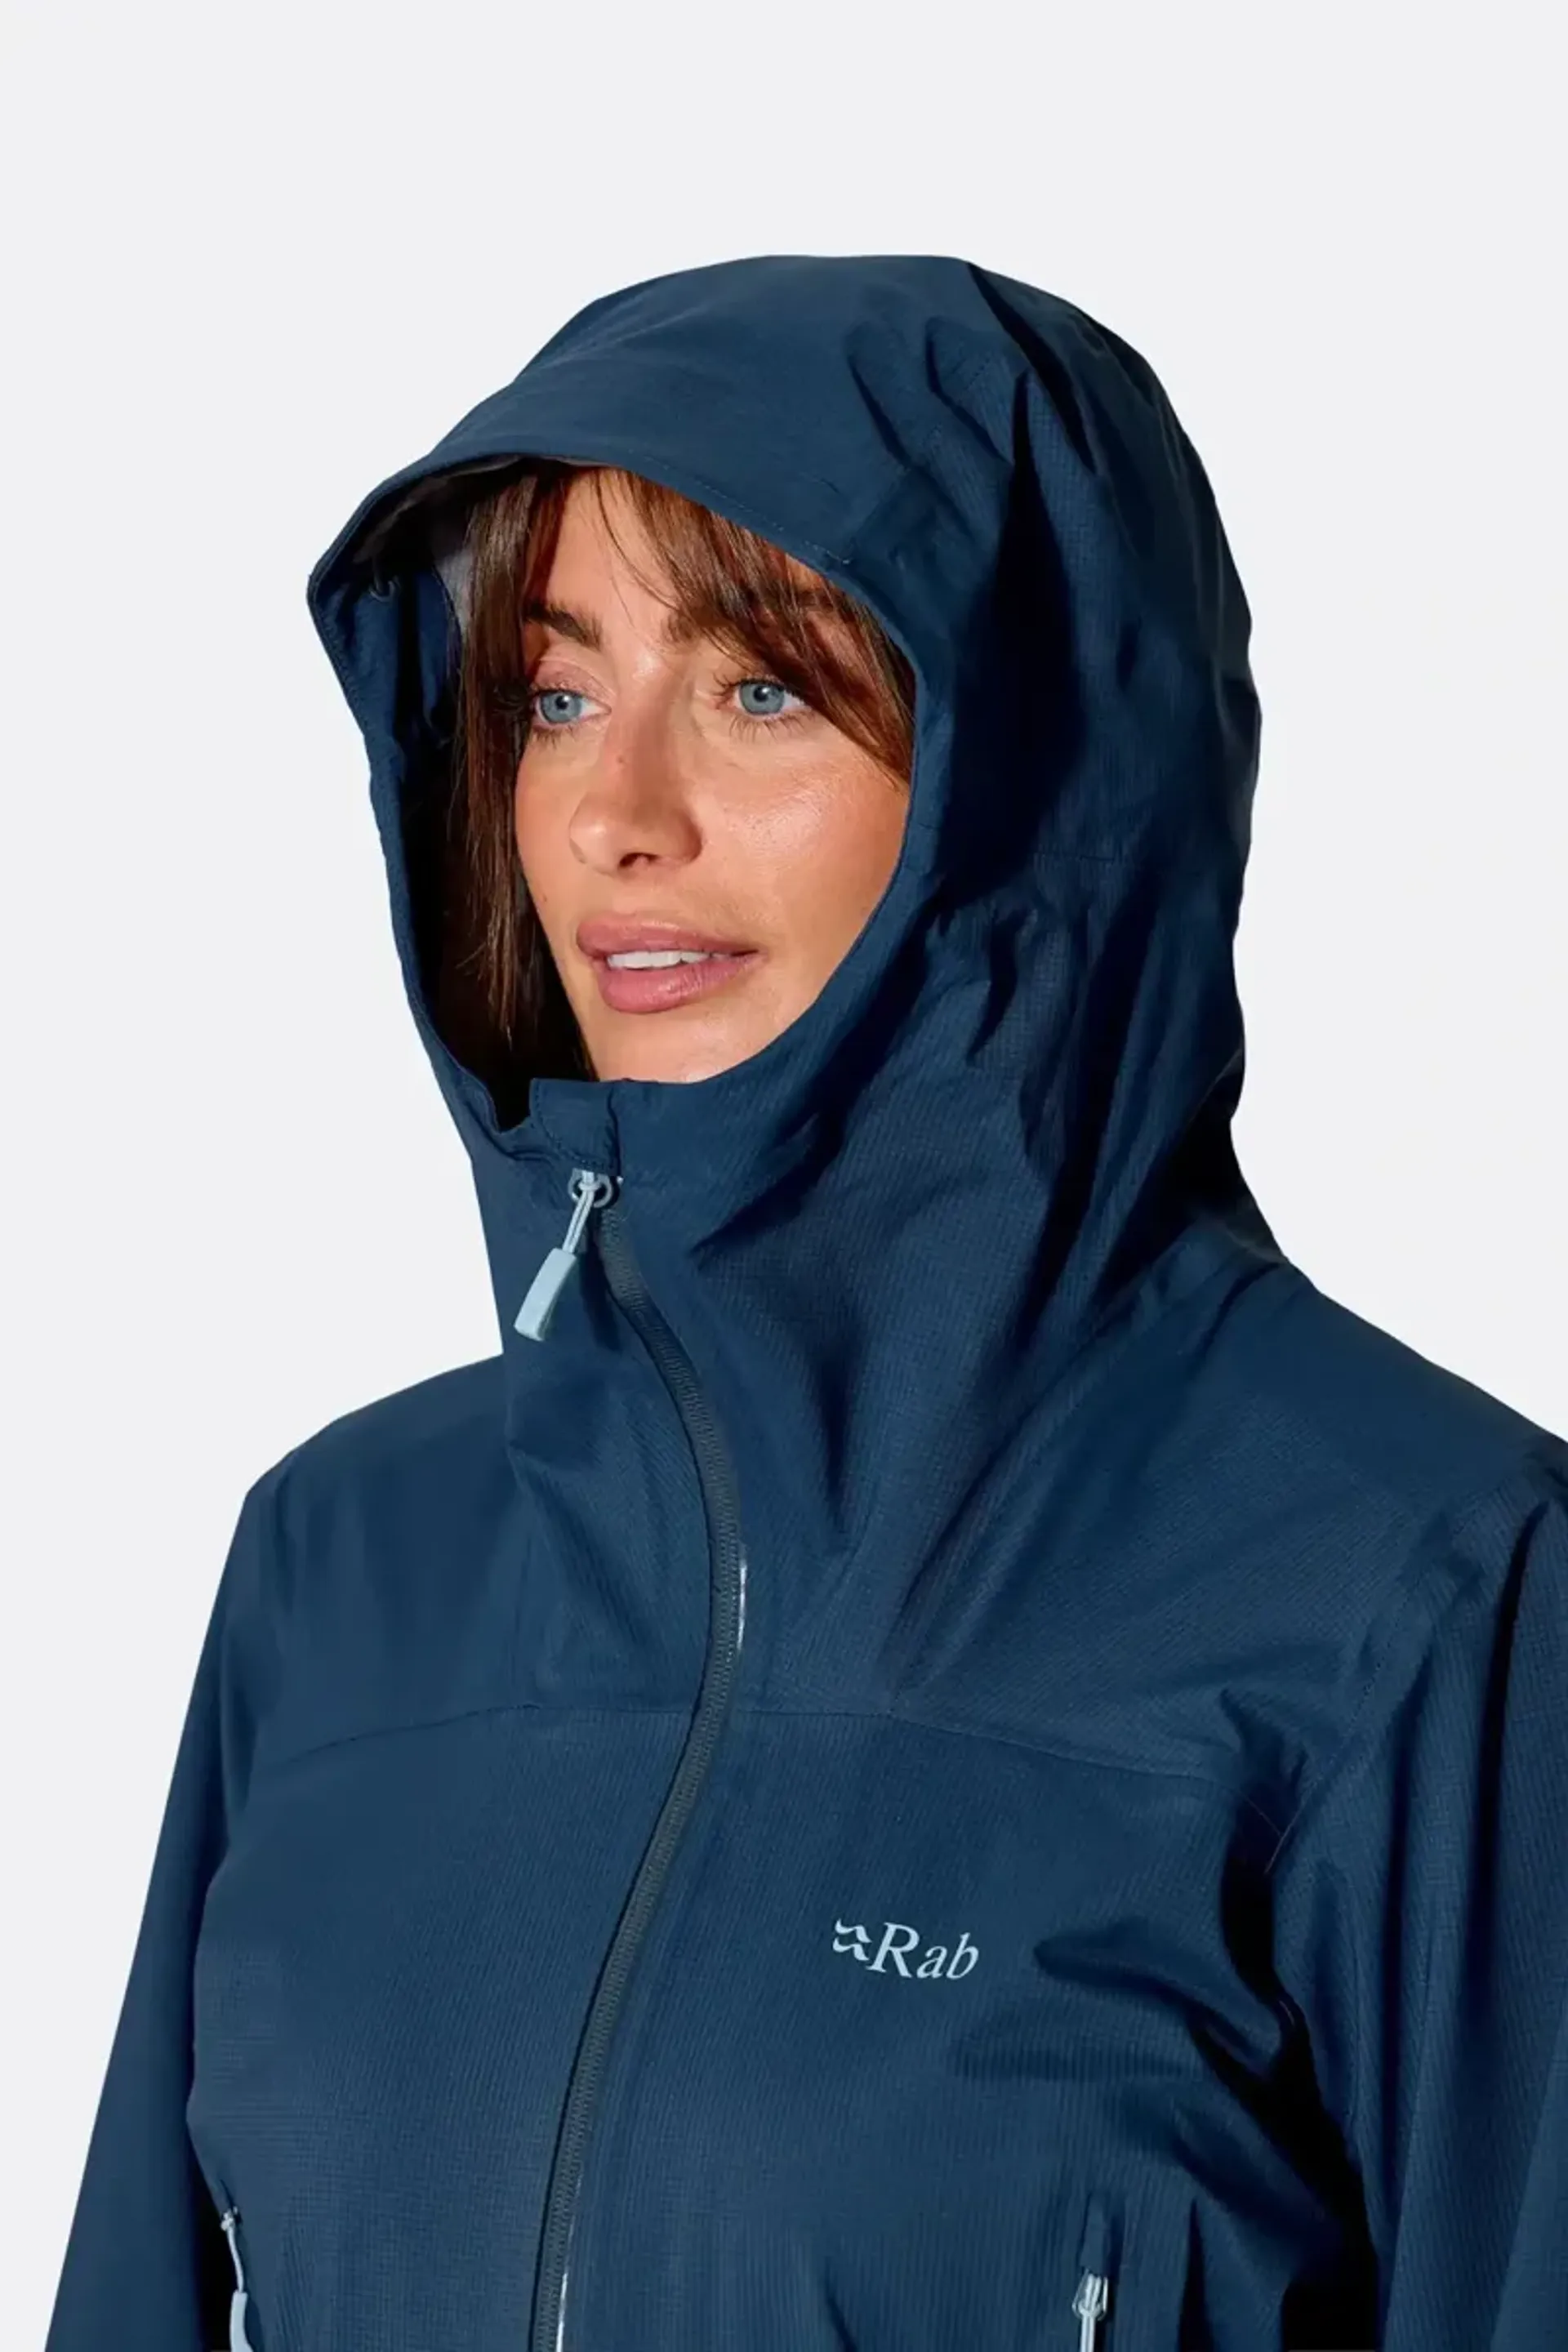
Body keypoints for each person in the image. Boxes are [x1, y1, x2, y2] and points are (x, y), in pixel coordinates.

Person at [43, 253, 1567, 2352]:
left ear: (1037, 775)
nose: (615, 816)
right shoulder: (347, 1565)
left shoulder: (1431, 1592)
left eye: (761, 691)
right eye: (555, 697)